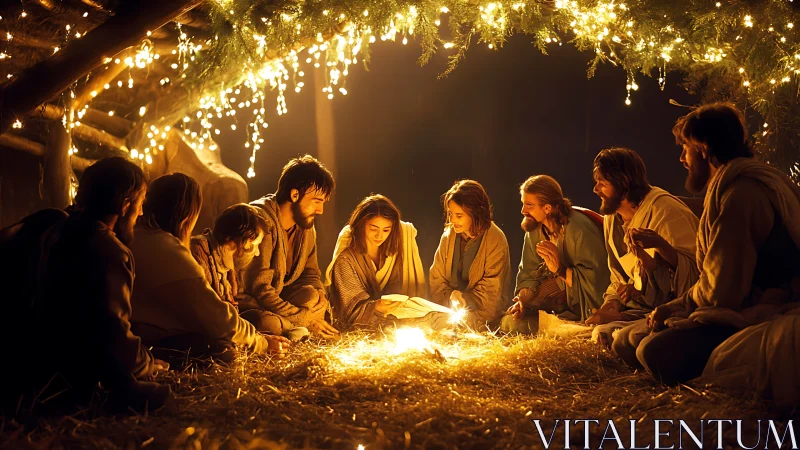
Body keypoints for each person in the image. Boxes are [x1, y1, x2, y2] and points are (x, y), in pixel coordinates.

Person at [626, 103, 800, 385]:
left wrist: (678, 306)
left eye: (685, 149)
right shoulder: (730, 188)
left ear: (703, 147)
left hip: (756, 312)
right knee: (631, 338)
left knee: (652, 351)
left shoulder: (742, 195)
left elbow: (723, 291)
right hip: (739, 305)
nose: (683, 158)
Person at [30, 157, 170, 411]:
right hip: (72, 374)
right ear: (125, 205)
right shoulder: (107, 250)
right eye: (139, 204)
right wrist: (147, 364)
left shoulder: (60, 230)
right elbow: (112, 333)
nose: (141, 213)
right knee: (162, 395)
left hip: (42, 362)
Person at [129, 175, 290, 367]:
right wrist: (261, 343)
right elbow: (214, 317)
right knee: (224, 351)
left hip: (147, 332)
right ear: (187, 215)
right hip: (148, 340)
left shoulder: (137, 238)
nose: (256, 253)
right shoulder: (169, 250)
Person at [586, 148, 699, 353]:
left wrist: (661, 247)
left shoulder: (666, 211)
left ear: (624, 182)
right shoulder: (612, 219)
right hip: (639, 309)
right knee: (597, 333)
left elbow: (694, 271)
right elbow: (618, 276)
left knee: (622, 339)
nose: (596, 189)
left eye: (602, 183)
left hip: (670, 310)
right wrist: (613, 301)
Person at [239, 155, 340, 339]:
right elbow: (260, 289)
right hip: (251, 303)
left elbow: (310, 272)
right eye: (317, 201)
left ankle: (294, 327)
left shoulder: (305, 225)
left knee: (312, 296)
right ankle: (294, 328)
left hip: (280, 299)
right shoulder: (261, 222)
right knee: (268, 324)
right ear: (295, 195)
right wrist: (306, 319)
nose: (320, 210)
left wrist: (321, 297)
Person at [503, 175, 609, 333]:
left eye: (529, 205)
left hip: (580, 304)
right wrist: (523, 301)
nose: (523, 211)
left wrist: (559, 269)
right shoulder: (534, 230)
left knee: (570, 332)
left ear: (547, 208)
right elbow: (528, 272)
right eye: (523, 204)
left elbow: (597, 282)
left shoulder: (579, 230)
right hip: (550, 301)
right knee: (509, 323)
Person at [326, 194, 445, 329]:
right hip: (366, 324)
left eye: (386, 230)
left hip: (395, 317)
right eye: (373, 229)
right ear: (361, 225)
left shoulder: (394, 253)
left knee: (439, 318)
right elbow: (347, 308)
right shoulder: (346, 260)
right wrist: (375, 306)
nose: (379, 235)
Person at [429, 180, 511, 330]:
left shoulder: (495, 240)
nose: (452, 220)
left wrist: (465, 299)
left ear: (475, 214)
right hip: (447, 309)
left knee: (457, 327)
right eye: (450, 214)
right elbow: (436, 277)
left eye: (459, 216)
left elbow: (492, 292)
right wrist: (450, 295)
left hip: (481, 313)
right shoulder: (449, 236)